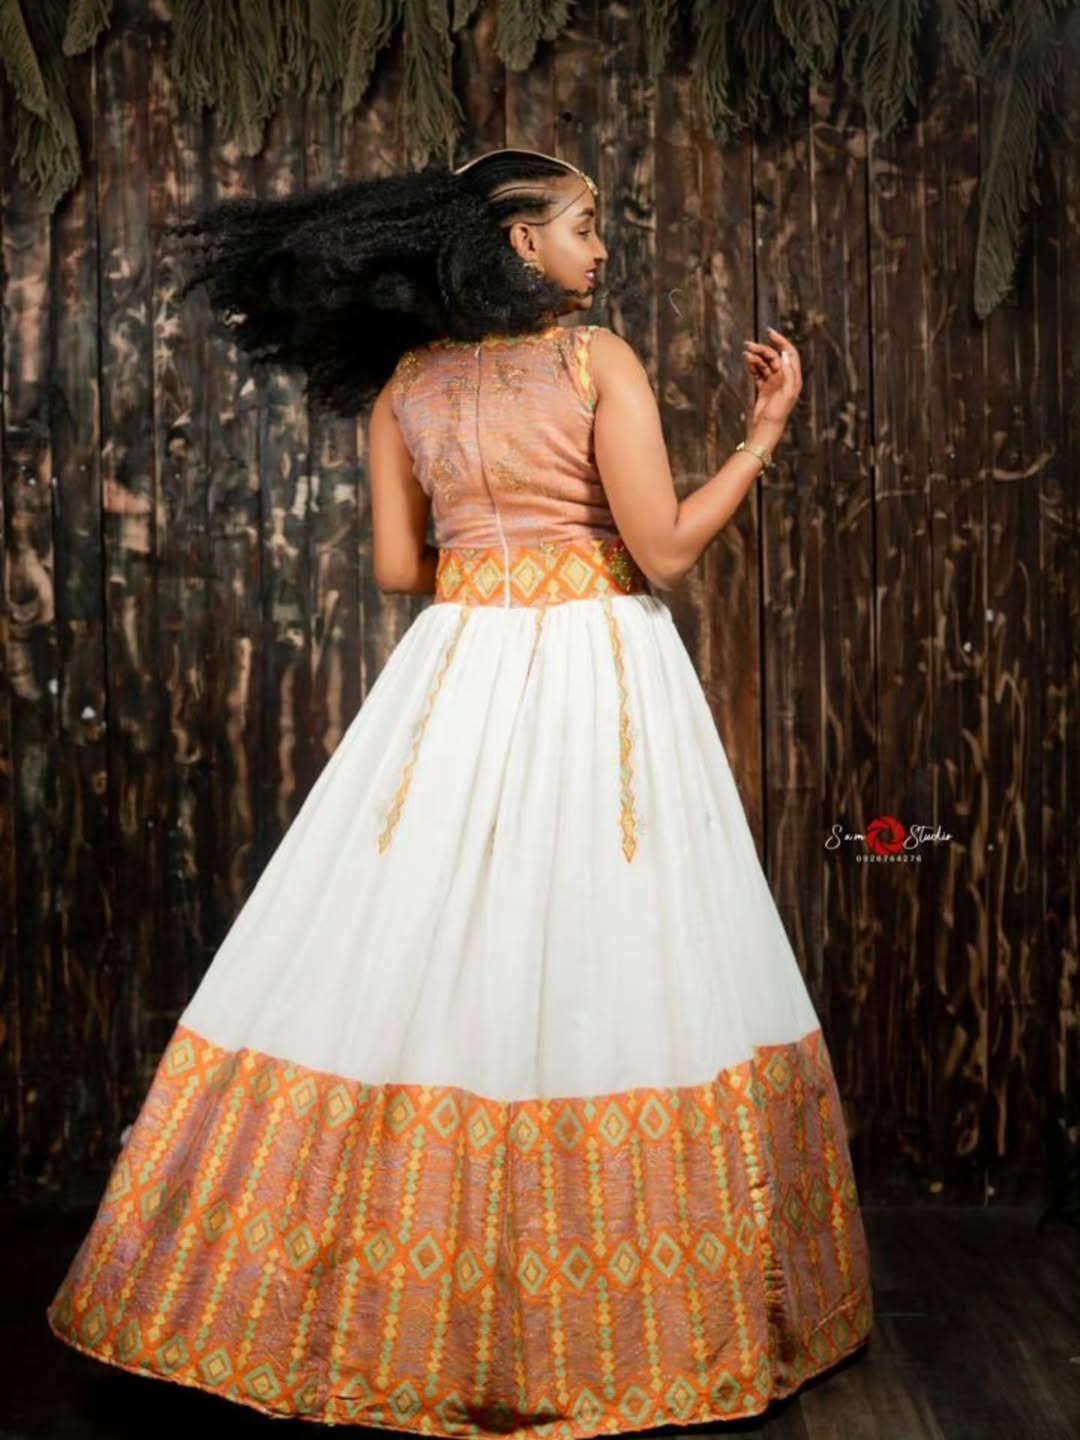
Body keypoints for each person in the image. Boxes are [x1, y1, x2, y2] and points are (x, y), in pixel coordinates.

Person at [46, 147, 873, 1435]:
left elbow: (397, 568)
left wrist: (492, 557)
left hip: (455, 673)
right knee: (609, 945)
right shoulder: (595, 362)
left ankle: (358, 1321)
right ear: (521, 242)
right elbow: (661, 552)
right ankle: (616, 1337)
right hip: (598, 674)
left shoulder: (407, 384)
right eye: (585, 227)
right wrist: (760, 437)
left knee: (425, 942)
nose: (602, 249)